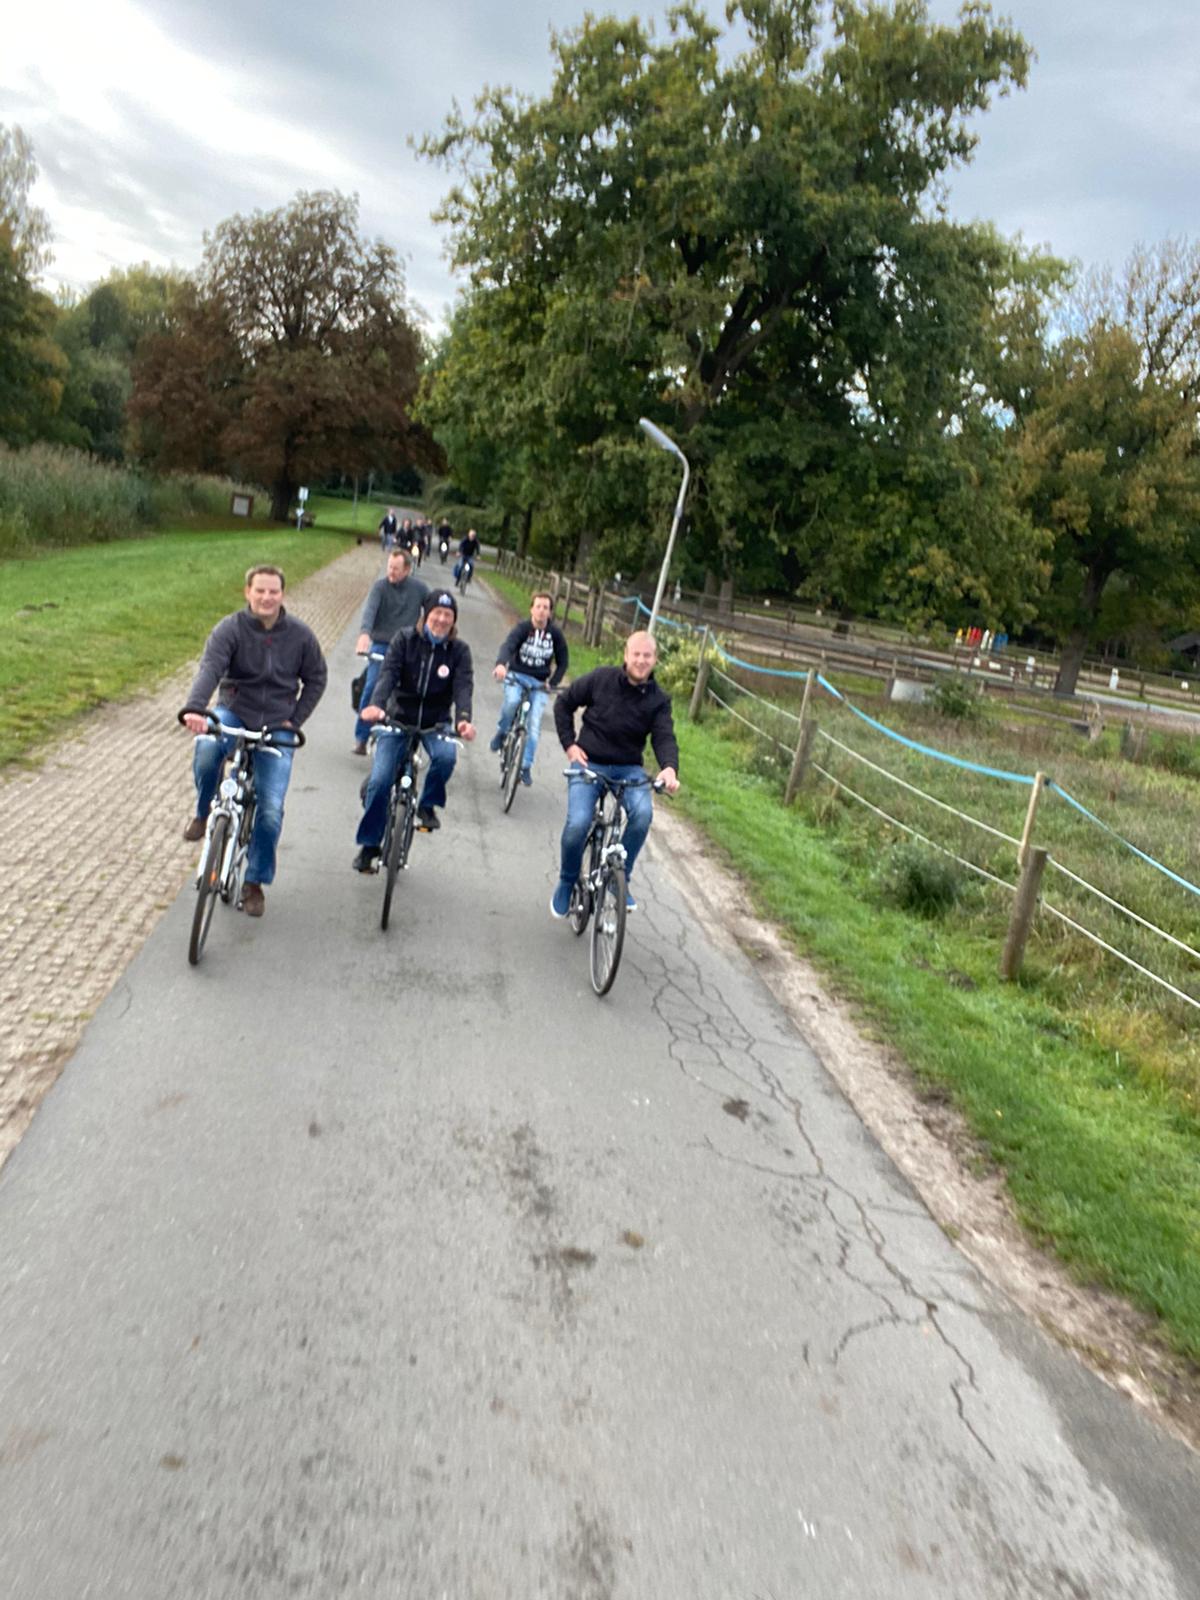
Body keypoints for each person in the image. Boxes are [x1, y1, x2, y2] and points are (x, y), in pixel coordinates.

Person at [180, 564, 327, 917]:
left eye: (273, 591)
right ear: (247, 592)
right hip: (235, 709)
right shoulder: (229, 629)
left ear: (282, 595)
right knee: (207, 751)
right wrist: (195, 708)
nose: (266, 597)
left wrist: (295, 720)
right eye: (259, 590)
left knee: (271, 807)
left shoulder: (301, 636)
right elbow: (211, 669)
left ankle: (255, 882)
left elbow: (317, 678)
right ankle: (204, 813)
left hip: (277, 722)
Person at [550, 630, 679, 918]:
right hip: (589, 762)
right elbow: (564, 703)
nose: (641, 660)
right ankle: (566, 882)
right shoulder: (601, 679)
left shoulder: (659, 700)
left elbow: (664, 737)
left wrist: (669, 767)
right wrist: (570, 746)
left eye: (647, 656)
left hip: (629, 768)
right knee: (578, 823)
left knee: (643, 813)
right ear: (625, 655)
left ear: (655, 660)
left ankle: (619, 878)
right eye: (636, 654)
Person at [352, 589, 476, 871]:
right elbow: (388, 674)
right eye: (437, 613)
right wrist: (377, 706)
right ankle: (369, 846)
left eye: (448, 615)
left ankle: (427, 804)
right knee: (380, 781)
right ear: (426, 614)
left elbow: (463, 686)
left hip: (436, 722)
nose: (442, 620)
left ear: (453, 620)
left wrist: (464, 719)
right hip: (398, 717)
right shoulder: (405, 639)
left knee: (446, 757)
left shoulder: (459, 651)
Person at [352, 545, 430, 754]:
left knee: (414, 690)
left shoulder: (419, 589)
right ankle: (361, 736)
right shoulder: (380, 587)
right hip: (381, 644)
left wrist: (429, 631)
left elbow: (432, 609)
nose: (391, 572)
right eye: (389, 567)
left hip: (408, 646)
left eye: (396, 568)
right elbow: (370, 612)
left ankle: (411, 739)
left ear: (406, 570)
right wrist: (364, 634)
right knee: (372, 687)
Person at [488, 591, 569, 786]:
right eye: (538, 606)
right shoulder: (523, 628)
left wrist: (553, 682)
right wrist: (501, 665)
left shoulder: (555, 635)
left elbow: (563, 662)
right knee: (513, 701)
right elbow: (508, 646)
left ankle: (525, 766)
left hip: (539, 683)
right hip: (516, 676)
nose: (541, 611)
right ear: (532, 609)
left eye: (546, 608)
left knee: (533, 725)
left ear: (550, 613)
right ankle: (502, 731)